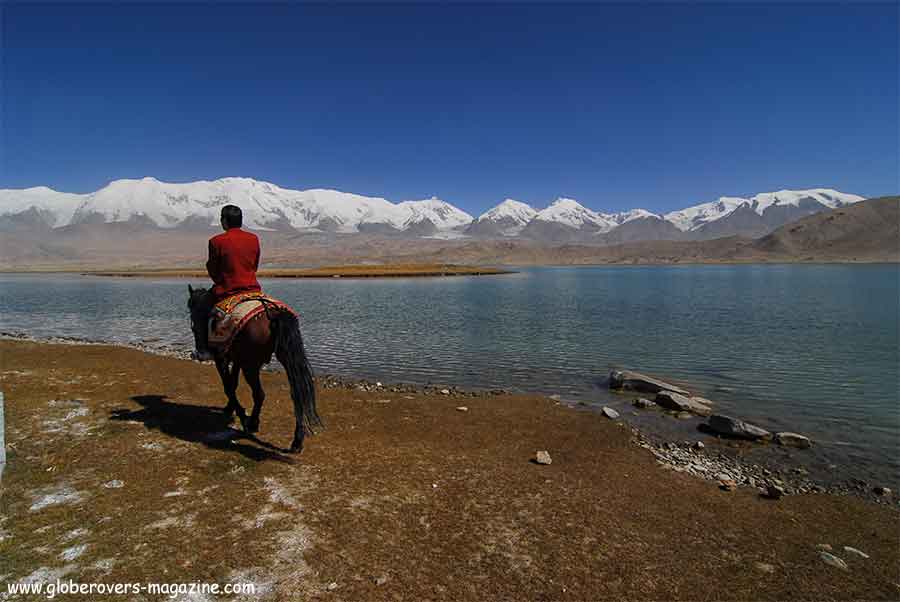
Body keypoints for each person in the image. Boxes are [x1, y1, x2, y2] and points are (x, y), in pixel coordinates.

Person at [192, 204, 262, 361]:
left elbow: (214, 271)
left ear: (224, 221)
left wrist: (222, 280)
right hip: (253, 290)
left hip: (228, 290)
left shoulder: (216, 241)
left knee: (200, 311)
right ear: (241, 221)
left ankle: (204, 351)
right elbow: (254, 266)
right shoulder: (254, 239)